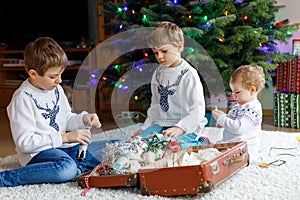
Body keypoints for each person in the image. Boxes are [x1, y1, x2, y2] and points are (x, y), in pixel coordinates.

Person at [0, 37, 113, 187]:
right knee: (66, 169)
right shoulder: (22, 99)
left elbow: (66, 118)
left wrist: (84, 118)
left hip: (64, 149)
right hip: (38, 153)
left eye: (60, 74)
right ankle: (5, 178)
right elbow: (24, 144)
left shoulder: (56, 89)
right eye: (53, 76)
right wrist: (65, 138)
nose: (59, 80)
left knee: (113, 147)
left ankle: (77, 169)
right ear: (33, 74)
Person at [132, 21, 209, 149]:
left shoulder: (189, 75)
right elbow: (155, 105)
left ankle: (201, 142)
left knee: (171, 148)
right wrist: (145, 129)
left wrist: (180, 127)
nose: (159, 57)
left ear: (179, 47)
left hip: (187, 126)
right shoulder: (158, 73)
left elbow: (198, 110)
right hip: (161, 124)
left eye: (164, 51)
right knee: (139, 145)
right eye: (156, 52)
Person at [212, 65, 266, 163]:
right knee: (211, 151)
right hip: (232, 145)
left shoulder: (252, 108)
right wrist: (223, 121)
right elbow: (232, 120)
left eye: (237, 92)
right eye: (233, 92)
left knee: (217, 158)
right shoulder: (239, 105)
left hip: (244, 150)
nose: (234, 96)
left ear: (252, 90)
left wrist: (222, 119)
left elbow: (238, 128)